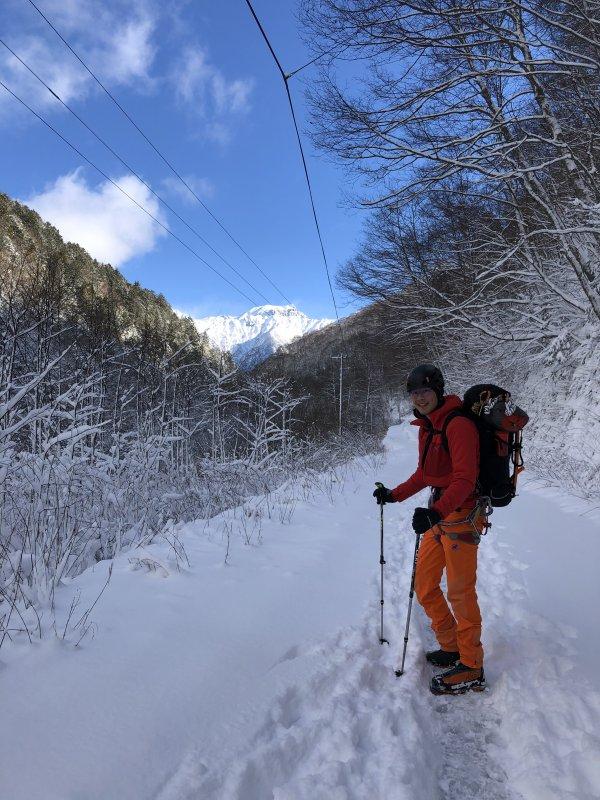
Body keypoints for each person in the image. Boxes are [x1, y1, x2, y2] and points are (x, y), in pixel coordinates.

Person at [374, 364, 486, 695]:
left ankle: (472, 665)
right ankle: (451, 645)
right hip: (440, 514)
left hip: (462, 515)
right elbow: (425, 473)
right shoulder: (428, 427)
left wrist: (434, 512)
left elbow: (465, 480)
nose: (420, 398)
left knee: (461, 592)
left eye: (425, 391)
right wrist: (393, 495)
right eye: (414, 393)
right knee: (424, 585)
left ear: (438, 390)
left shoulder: (459, 425)